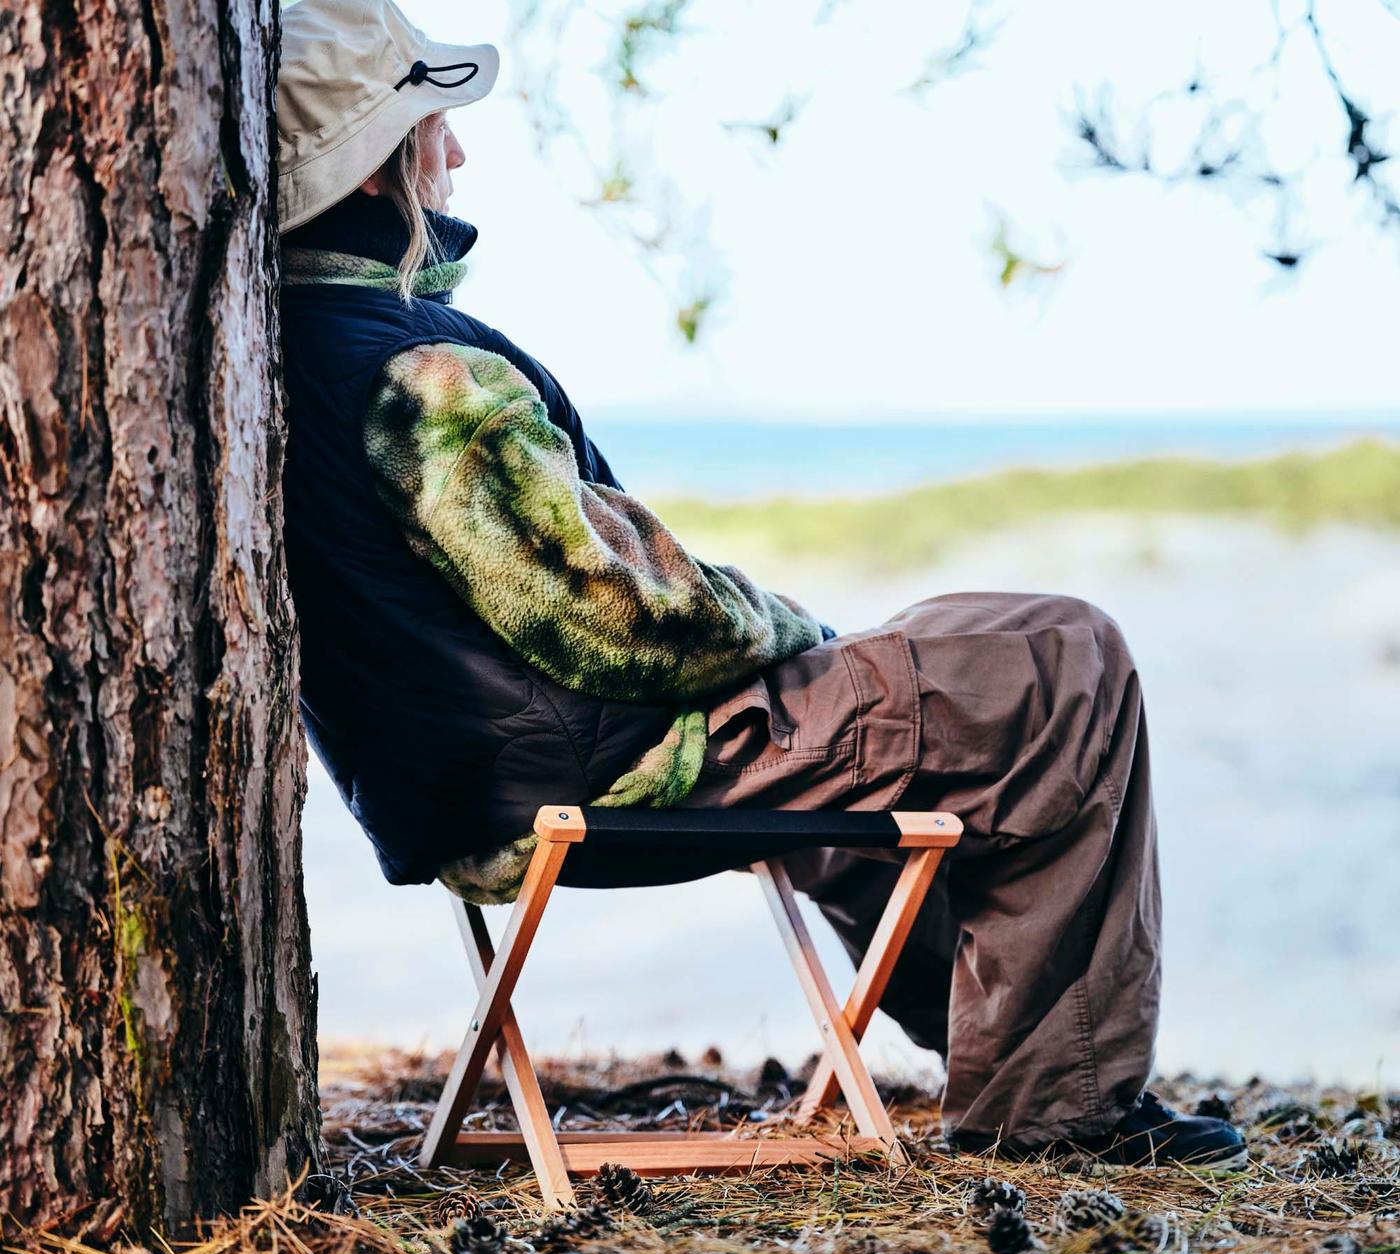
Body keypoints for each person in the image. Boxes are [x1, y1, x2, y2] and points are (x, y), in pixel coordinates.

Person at [275, 0, 1247, 1170]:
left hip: (473, 785)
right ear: (376, 165)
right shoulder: (420, 374)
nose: (458, 152)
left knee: (943, 676)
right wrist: (787, 628)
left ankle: (1025, 1054)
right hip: (618, 767)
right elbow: (618, 618)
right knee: (1059, 655)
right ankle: (1060, 1108)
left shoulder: (287, 350)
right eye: (434, 124)